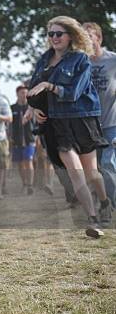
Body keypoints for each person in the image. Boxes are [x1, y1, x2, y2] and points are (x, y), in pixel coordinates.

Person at [27, 16, 110, 238]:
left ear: (70, 36)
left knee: (92, 173)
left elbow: (73, 93)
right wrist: (34, 108)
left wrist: (49, 85)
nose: (54, 38)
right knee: (75, 172)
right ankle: (92, 219)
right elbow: (33, 89)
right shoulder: (44, 59)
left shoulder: (81, 59)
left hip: (82, 119)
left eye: (58, 33)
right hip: (57, 123)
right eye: (50, 34)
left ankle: (104, 201)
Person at [83, 22, 115, 224]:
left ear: (99, 38)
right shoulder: (81, 63)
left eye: (89, 36)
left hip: (113, 123)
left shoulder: (113, 60)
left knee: (107, 165)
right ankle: (106, 205)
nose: (86, 40)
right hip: (90, 127)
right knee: (94, 171)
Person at [10, 85, 35, 194]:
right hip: (17, 140)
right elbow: (9, 124)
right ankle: (24, 183)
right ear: (17, 94)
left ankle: (30, 185)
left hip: (30, 139)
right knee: (20, 163)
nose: (24, 95)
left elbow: (37, 123)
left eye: (25, 92)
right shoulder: (12, 108)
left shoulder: (31, 107)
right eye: (21, 93)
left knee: (28, 160)